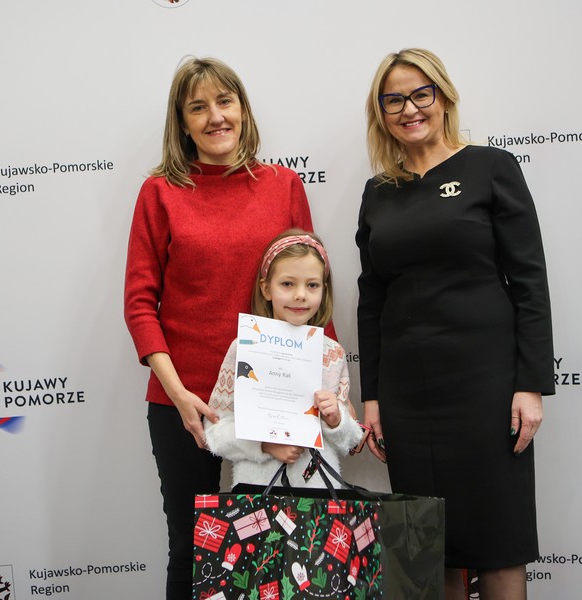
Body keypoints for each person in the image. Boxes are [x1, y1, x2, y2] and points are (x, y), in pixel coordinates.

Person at [356, 48, 555, 600]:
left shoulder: (491, 167)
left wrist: (530, 383)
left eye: (421, 94)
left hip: (487, 388)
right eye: (393, 100)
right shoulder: (378, 192)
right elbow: (372, 299)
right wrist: (372, 398)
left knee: (499, 545)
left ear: (444, 98)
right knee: (424, 549)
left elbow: (529, 281)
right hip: (407, 395)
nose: (409, 109)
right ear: (381, 113)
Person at [124, 57, 319, 600]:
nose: (215, 117)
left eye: (225, 102)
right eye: (198, 107)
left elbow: (312, 292)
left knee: (277, 551)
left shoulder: (283, 185)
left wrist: (321, 390)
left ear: (243, 110)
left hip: (274, 398)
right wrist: (177, 394)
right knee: (192, 551)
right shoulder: (160, 192)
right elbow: (139, 304)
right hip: (184, 401)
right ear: (182, 123)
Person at [204, 230, 363, 491]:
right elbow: (215, 432)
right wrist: (264, 445)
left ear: (324, 290)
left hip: (319, 493)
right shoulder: (244, 348)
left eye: (312, 285)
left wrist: (336, 419)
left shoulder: (332, 353)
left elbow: (351, 438)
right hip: (257, 493)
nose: (300, 295)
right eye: (288, 284)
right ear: (266, 289)